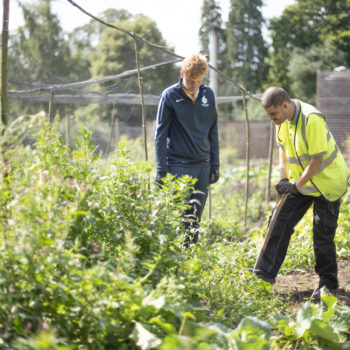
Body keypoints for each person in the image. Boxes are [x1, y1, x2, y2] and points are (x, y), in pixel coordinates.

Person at [254, 86, 349, 300]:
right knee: (279, 221)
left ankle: (328, 285)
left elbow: (317, 160)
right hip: (303, 182)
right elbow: (282, 150)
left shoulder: (311, 119)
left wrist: (296, 187)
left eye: (273, 114)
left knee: (322, 235)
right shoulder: (283, 122)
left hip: (328, 183)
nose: (271, 119)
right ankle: (263, 277)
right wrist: (283, 178)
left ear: (285, 106)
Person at [154, 54, 220, 245]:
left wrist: (215, 164)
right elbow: (160, 135)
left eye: (198, 82)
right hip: (179, 166)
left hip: (203, 166)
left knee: (195, 219)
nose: (194, 86)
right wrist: (161, 169)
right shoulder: (170, 96)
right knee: (180, 218)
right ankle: (178, 263)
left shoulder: (208, 94)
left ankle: (191, 263)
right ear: (182, 73)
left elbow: (213, 130)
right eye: (191, 81)